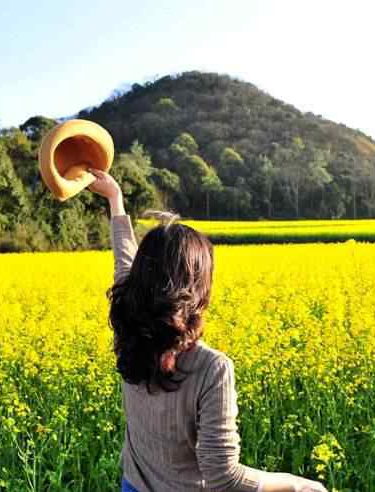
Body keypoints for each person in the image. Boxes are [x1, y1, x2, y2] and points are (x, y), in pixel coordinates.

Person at [87, 168, 328, 492]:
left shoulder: (130, 330)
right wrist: (296, 484)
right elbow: (224, 478)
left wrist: (115, 201)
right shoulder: (211, 369)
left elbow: (124, 265)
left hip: (133, 485)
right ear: (198, 288)